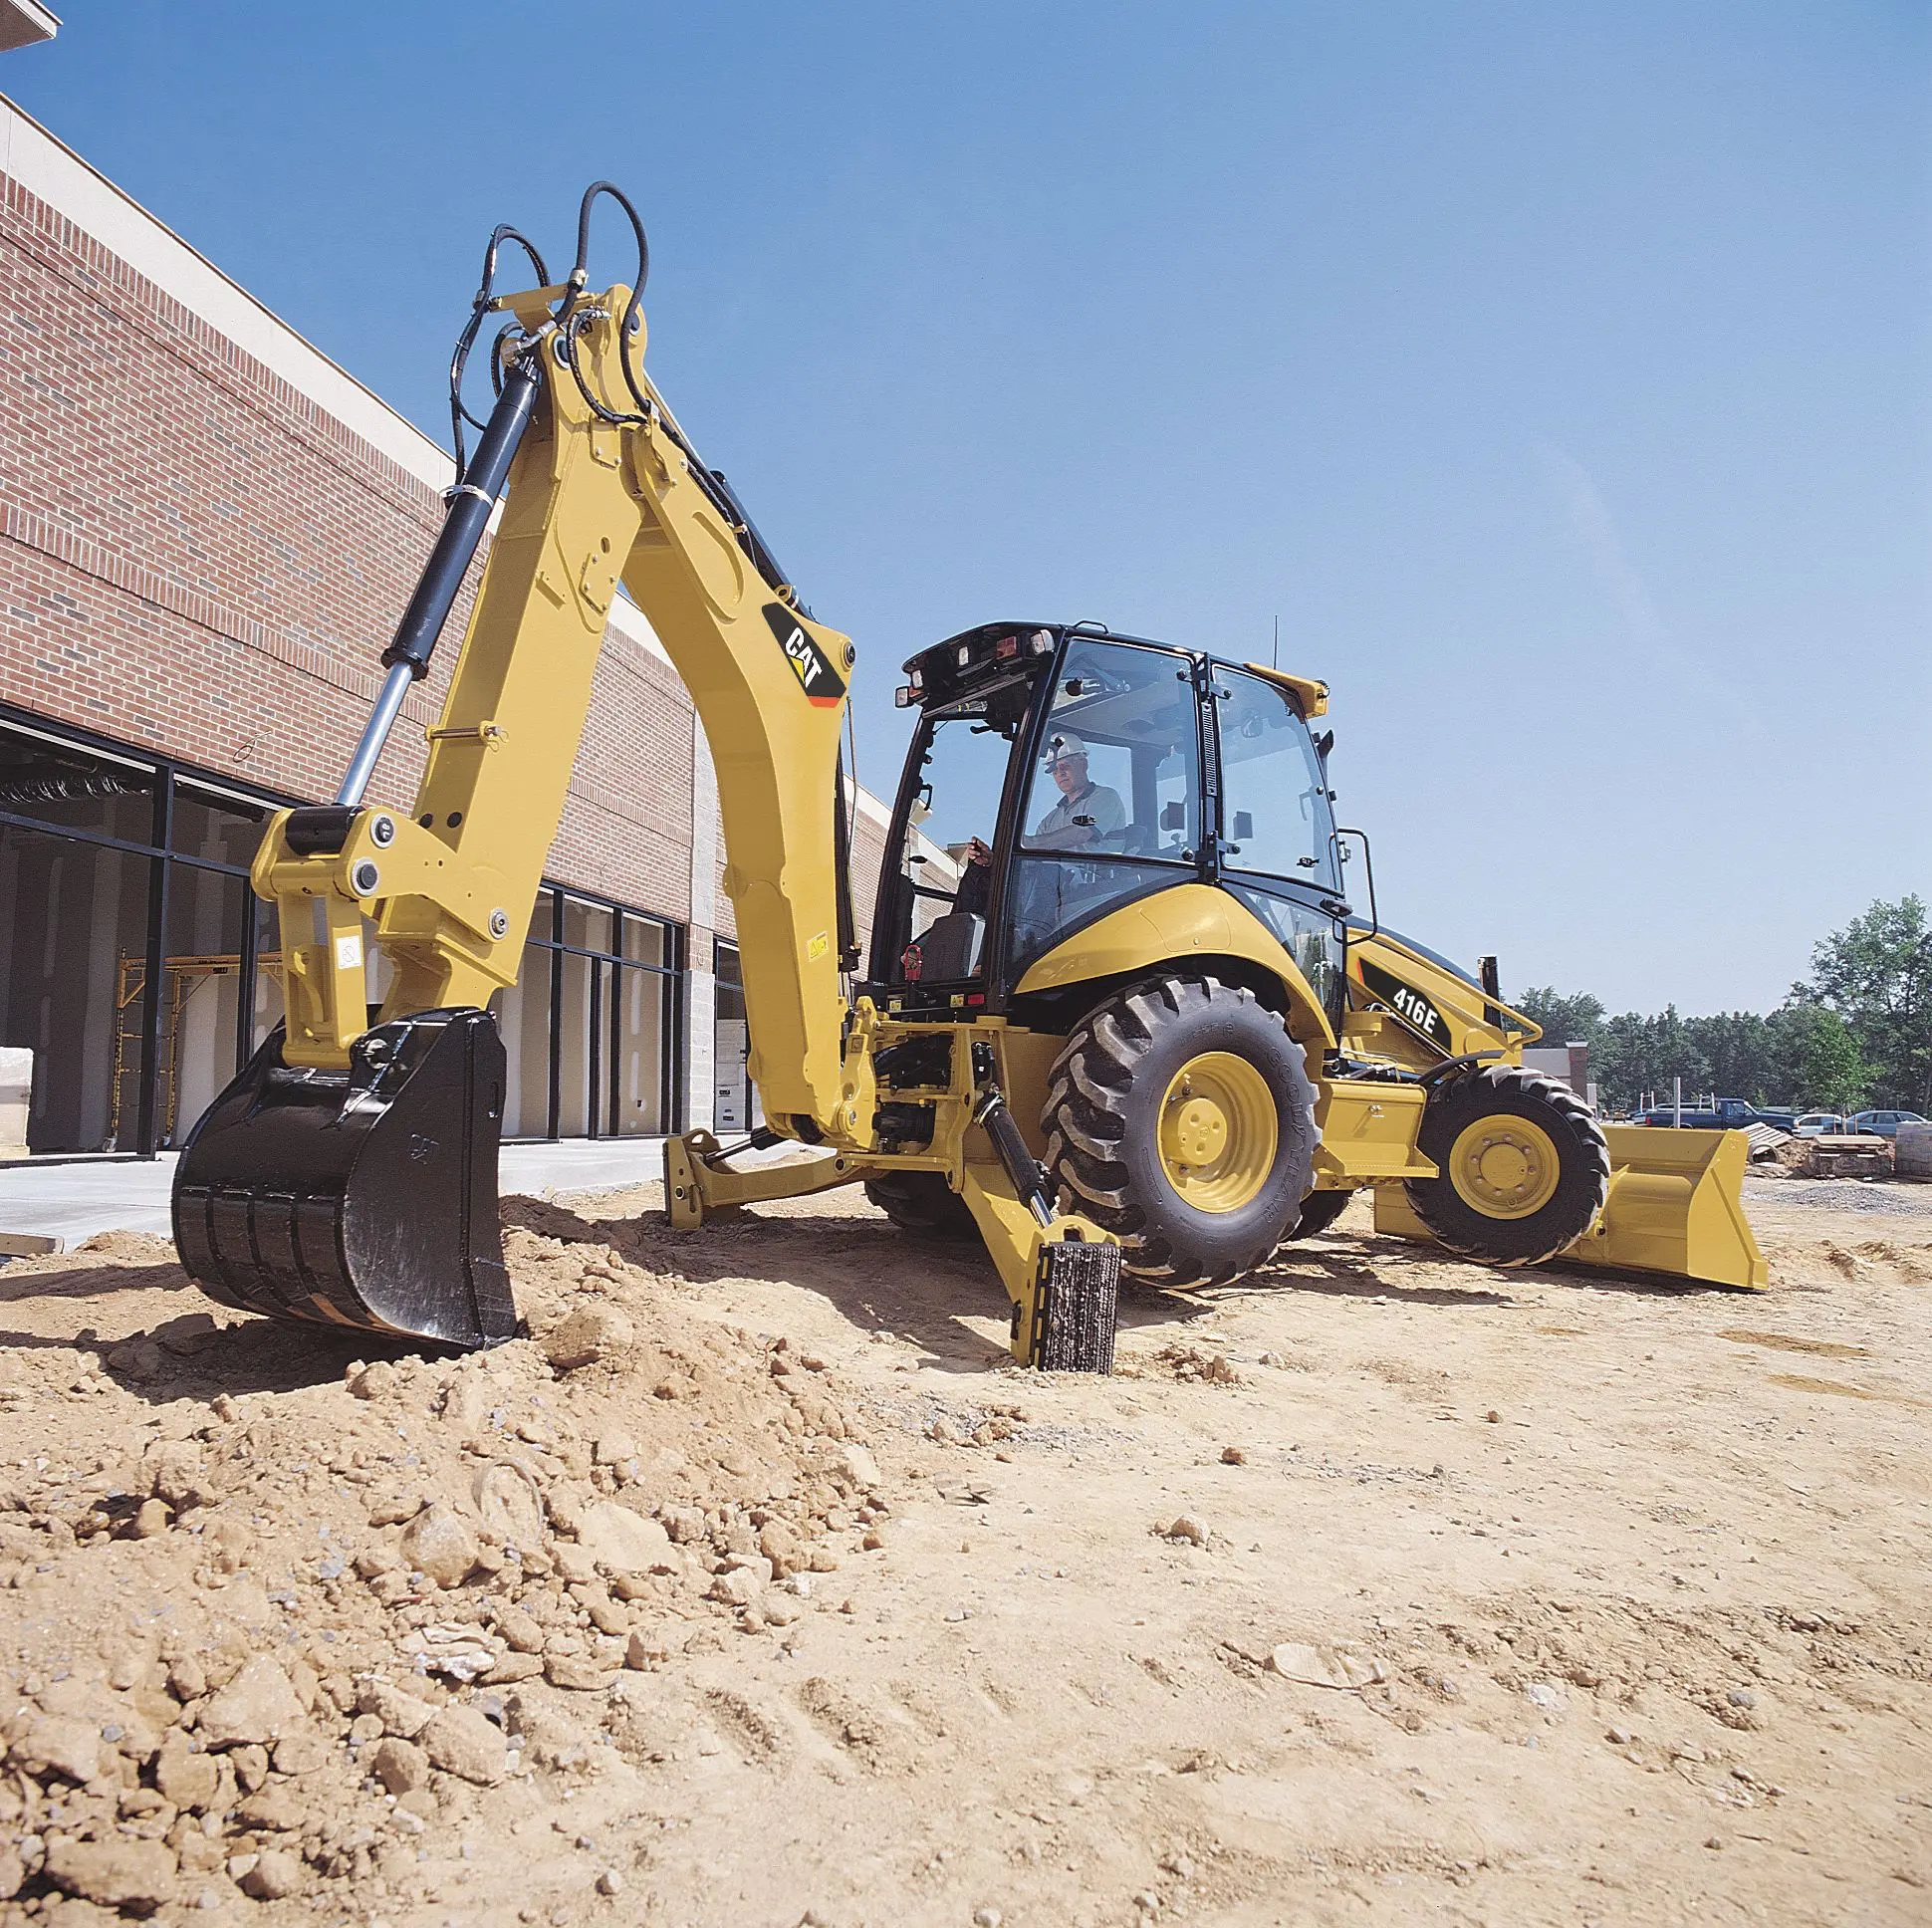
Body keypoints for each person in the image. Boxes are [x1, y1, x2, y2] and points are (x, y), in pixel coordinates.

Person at [1023, 732, 1124, 851]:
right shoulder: (1049, 820)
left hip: (1098, 869)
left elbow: (1082, 832)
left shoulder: (1105, 797)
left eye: (1065, 766)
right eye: (1054, 770)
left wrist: (1031, 842)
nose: (1060, 773)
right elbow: (1037, 852)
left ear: (1083, 764)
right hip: (1056, 870)